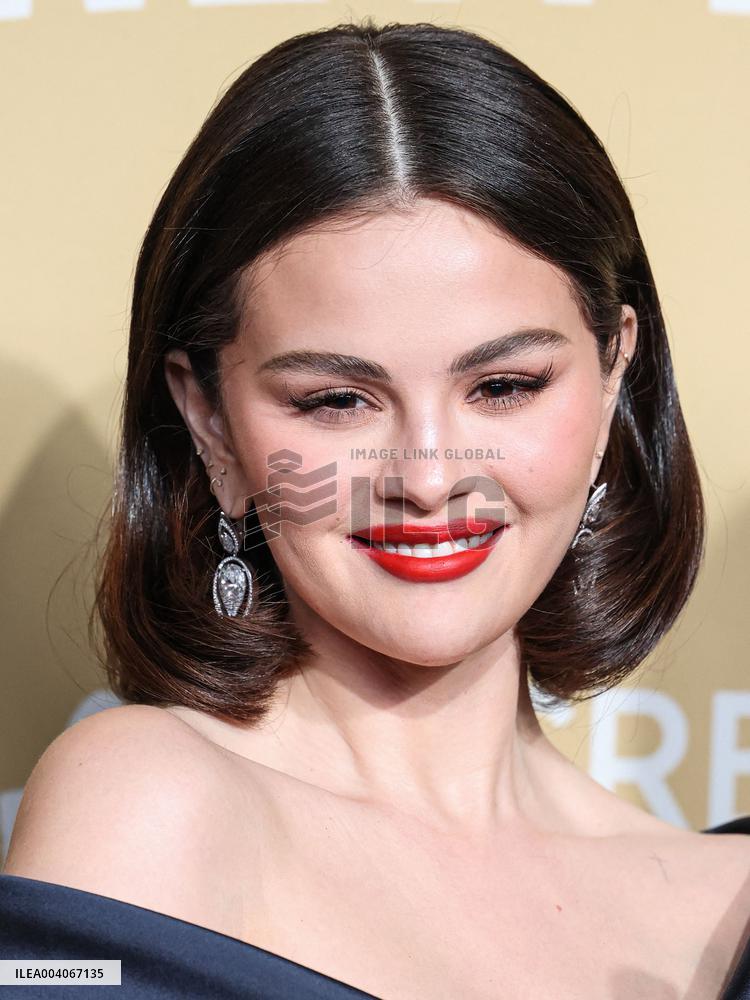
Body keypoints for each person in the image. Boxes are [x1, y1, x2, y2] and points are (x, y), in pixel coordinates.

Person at [1, 17, 749, 1000]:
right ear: (211, 422)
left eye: (508, 385)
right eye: (336, 400)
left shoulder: (728, 904)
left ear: (615, 374)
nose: (430, 477)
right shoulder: (145, 808)